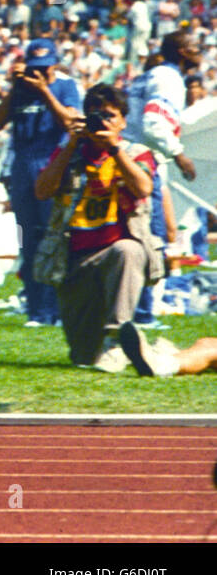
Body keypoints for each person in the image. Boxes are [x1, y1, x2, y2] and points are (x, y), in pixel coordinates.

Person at [34, 83, 163, 369]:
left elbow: (143, 187)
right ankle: (147, 351)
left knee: (128, 251)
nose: (102, 121)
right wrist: (70, 145)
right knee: (84, 358)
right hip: (74, 257)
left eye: (109, 116)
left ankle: (117, 338)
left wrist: (114, 149)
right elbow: (42, 191)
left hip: (115, 250)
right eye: (95, 115)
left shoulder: (135, 152)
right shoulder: (71, 152)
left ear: (123, 121)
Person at [0, 38, 82, 326]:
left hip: (51, 162)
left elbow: (70, 123)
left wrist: (44, 92)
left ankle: (53, 308)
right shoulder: (20, 90)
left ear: (54, 63)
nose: (38, 73)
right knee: (27, 238)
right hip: (22, 164)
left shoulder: (65, 86)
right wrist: (14, 89)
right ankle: (34, 308)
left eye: (44, 67)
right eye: (34, 67)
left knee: (52, 236)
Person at [125, 31, 200, 327]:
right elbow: (154, 123)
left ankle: (132, 309)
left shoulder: (150, 75)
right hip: (143, 160)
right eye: (194, 47)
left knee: (139, 235)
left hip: (130, 156)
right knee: (149, 237)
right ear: (181, 51)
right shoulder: (168, 78)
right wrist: (179, 154)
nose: (199, 51)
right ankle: (142, 314)